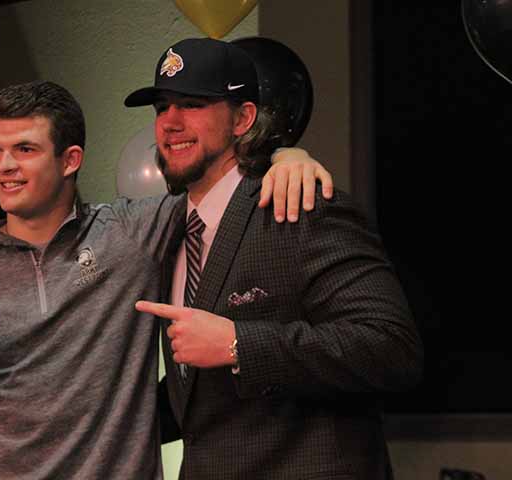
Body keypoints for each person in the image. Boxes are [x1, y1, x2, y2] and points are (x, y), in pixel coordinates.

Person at [0, 80, 334, 479]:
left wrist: (286, 156)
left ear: (70, 160)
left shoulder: (131, 233)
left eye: (25, 149)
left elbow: (217, 187)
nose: (4, 166)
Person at [129, 38, 423, 479]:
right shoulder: (168, 230)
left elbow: (391, 349)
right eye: (162, 107)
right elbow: (202, 402)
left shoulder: (301, 207)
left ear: (243, 118)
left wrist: (238, 345)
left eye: (192, 104)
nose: (170, 123)